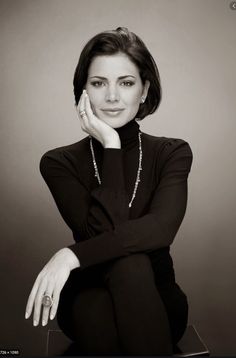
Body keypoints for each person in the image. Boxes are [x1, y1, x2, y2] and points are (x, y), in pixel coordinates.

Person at [25, 27, 193, 355]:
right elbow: (99, 232)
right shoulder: (59, 162)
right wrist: (112, 144)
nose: (112, 96)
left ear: (144, 91)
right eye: (99, 83)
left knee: (132, 266)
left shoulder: (172, 152)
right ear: (83, 91)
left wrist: (71, 255)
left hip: (157, 297)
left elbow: (161, 229)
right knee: (113, 284)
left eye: (126, 83)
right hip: (89, 294)